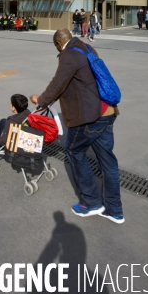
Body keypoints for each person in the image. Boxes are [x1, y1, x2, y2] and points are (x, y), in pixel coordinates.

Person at [30, 28, 124, 224]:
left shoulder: (68, 55)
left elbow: (58, 83)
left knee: (74, 151)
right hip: (107, 111)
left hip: (90, 116)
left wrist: (41, 100)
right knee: (108, 161)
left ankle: (91, 203)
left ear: (58, 43)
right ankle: (115, 210)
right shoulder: (85, 47)